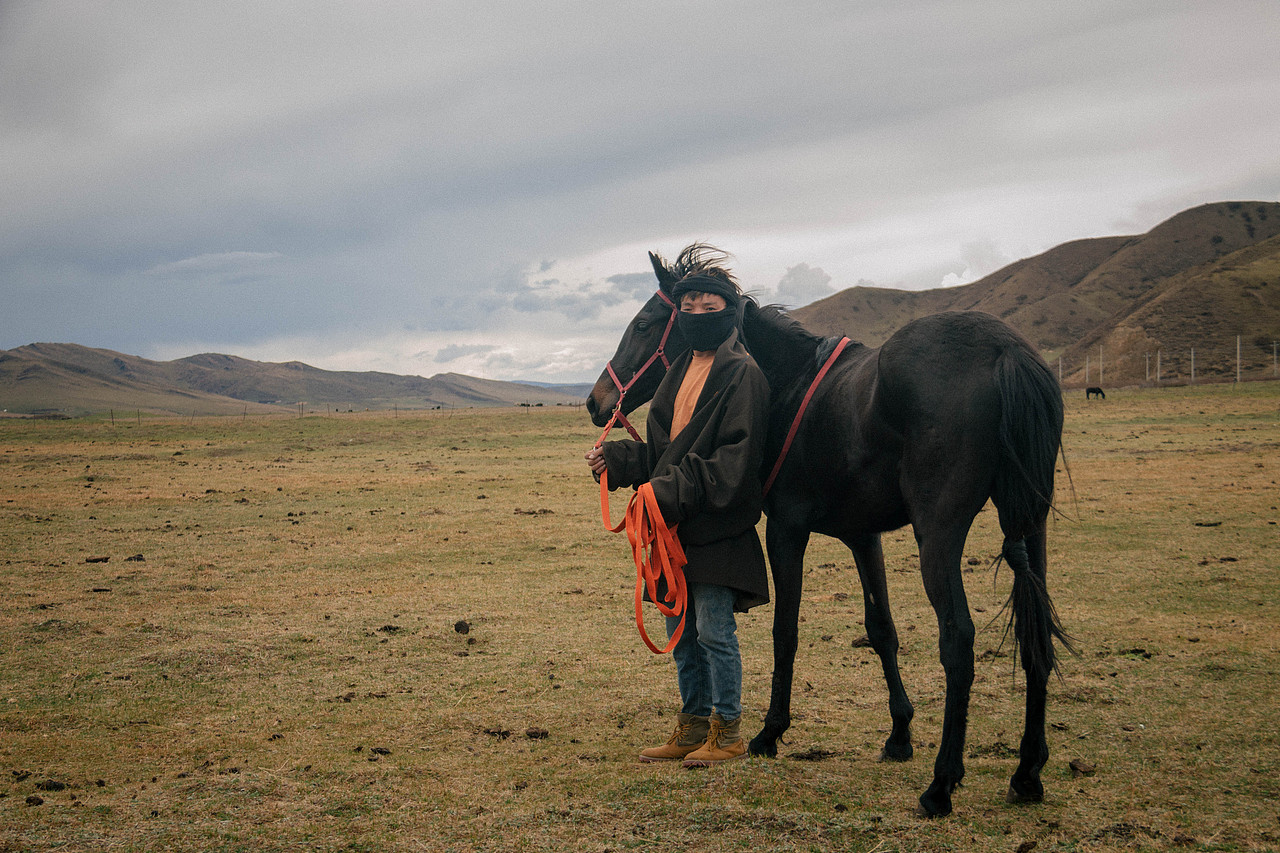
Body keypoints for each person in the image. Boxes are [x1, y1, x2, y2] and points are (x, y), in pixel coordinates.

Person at [585, 257, 770, 767]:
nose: (698, 314)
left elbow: (733, 464)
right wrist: (620, 461)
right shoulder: (679, 371)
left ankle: (728, 733)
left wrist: (663, 492)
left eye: (709, 307)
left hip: (716, 527)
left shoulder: (744, 374)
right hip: (673, 528)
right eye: (689, 307)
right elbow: (666, 455)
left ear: (729, 312)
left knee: (714, 632)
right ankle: (692, 727)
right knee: (680, 635)